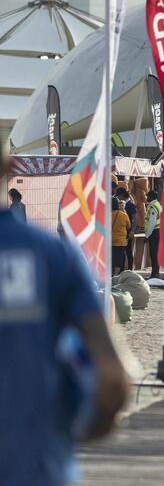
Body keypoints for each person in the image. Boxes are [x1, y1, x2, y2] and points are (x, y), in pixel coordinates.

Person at [0, 138, 129, 485]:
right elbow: (113, 379)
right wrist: (74, 434)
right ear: (11, 170)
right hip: (39, 463)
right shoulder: (52, 255)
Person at [116, 188, 137, 270]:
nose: (118, 198)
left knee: (128, 251)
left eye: (119, 196)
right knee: (122, 251)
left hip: (128, 231)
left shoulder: (130, 205)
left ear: (122, 196)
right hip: (122, 231)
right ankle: (122, 269)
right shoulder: (122, 204)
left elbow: (135, 218)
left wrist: (132, 231)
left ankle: (130, 269)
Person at [110, 198, 131, 276]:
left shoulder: (108, 215)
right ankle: (116, 275)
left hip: (110, 240)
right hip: (121, 240)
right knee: (119, 258)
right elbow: (129, 226)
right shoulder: (124, 215)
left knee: (112, 257)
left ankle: (111, 274)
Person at [144, 190, 161, 279]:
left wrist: (147, 235)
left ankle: (155, 274)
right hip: (157, 231)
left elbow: (152, 222)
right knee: (155, 253)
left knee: (153, 254)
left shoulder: (152, 206)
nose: (146, 198)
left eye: (148, 196)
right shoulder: (158, 204)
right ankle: (155, 273)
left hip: (154, 232)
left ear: (151, 197)